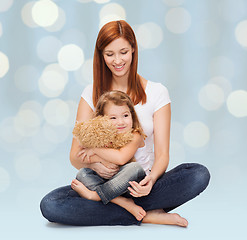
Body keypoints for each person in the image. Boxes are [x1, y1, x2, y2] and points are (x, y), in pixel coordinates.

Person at [40, 20, 210, 227]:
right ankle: (145, 214)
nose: (117, 60)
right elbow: (75, 156)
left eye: (123, 52)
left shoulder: (157, 93)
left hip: (142, 184)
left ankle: (124, 206)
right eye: (109, 54)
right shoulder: (91, 94)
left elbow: (163, 154)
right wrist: (95, 165)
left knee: (198, 174)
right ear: (101, 56)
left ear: (133, 51)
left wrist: (152, 181)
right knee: (50, 204)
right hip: (103, 183)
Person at [71, 90, 147, 221]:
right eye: (113, 118)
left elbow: (121, 159)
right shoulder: (102, 137)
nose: (121, 122)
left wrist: (95, 150)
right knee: (82, 174)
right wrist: (97, 162)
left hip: (133, 185)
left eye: (125, 115)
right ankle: (120, 201)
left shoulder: (135, 135)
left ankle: (96, 196)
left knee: (134, 167)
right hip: (110, 185)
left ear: (132, 115)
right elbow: (82, 156)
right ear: (102, 120)